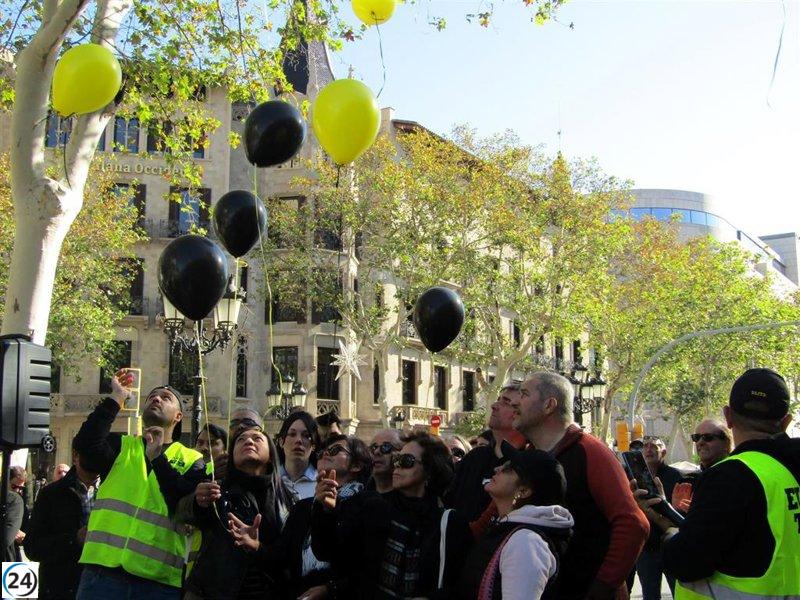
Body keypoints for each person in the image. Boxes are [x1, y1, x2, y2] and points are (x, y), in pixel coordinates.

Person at [637, 368, 800, 598]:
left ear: (728, 416)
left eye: (709, 437)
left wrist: (672, 537)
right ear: (786, 422)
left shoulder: (729, 476)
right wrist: (666, 516)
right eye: (697, 438)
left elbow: (687, 562)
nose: (701, 442)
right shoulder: (787, 469)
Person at [508, 371, 649, 600]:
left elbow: (633, 524)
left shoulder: (591, 451)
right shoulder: (528, 456)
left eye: (524, 394)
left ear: (549, 405)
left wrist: (601, 588)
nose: (515, 402)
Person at [74, 372, 205, 600]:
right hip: (102, 574)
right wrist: (116, 397)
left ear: (178, 416)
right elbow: (85, 444)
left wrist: (158, 459)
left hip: (157, 582)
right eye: (152, 396)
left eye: (165, 398)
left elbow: (184, 506)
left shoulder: (192, 460)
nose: (156, 399)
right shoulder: (121, 446)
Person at [311, 431, 473, 599]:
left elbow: (464, 584)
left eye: (406, 461)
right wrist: (326, 512)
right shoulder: (371, 506)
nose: (397, 466)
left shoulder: (450, 523)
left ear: (430, 471)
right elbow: (330, 554)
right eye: (396, 460)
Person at [178, 425, 294, 600]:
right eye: (240, 440)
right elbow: (182, 513)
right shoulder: (216, 490)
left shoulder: (287, 500)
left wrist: (257, 548)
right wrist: (197, 502)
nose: (248, 441)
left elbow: (290, 556)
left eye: (257, 438)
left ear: (271, 455)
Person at [456, 445, 574, 600]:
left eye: (509, 469)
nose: (497, 469)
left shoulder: (526, 542)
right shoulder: (511, 530)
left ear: (523, 491)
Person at [265, 434, 372, 599]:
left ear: (356, 465)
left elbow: (367, 567)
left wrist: (331, 589)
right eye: (322, 452)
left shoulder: (368, 504)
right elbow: (280, 560)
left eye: (335, 450)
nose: (325, 454)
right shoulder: (303, 507)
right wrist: (255, 546)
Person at [24, 438, 100, 600]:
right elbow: (32, 547)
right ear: (76, 456)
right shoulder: (51, 495)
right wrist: (74, 539)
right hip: (61, 588)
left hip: (103, 588)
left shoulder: (114, 492)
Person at [445, 384, 528, 523]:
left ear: (520, 413)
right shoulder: (474, 458)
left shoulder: (527, 463)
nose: (494, 406)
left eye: (506, 402)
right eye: (498, 400)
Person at [635, 436, 681, 599]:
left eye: (654, 446)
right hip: (646, 548)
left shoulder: (675, 476)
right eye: (645, 446)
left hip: (672, 546)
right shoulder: (634, 477)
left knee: (679, 592)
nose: (649, 449)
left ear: (664, 452)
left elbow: (679, 512)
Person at [277, 411, 320, 500]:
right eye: (292, 434)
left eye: (306, 436)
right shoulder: (271, 480)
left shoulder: (320, 482)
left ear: (313, 445)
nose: (298, 440)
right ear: (281, 442)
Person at [366, 429, 403, 493]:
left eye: (386, 447)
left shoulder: (410, 495)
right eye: (374, 447)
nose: (376, 452)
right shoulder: (360, 493)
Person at [3, 466, 25, 562]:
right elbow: (7, 538)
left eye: (21, 488)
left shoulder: (19, 500)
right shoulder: (15, 500)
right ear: (6, 481)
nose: (17, 490)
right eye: (14, 486)